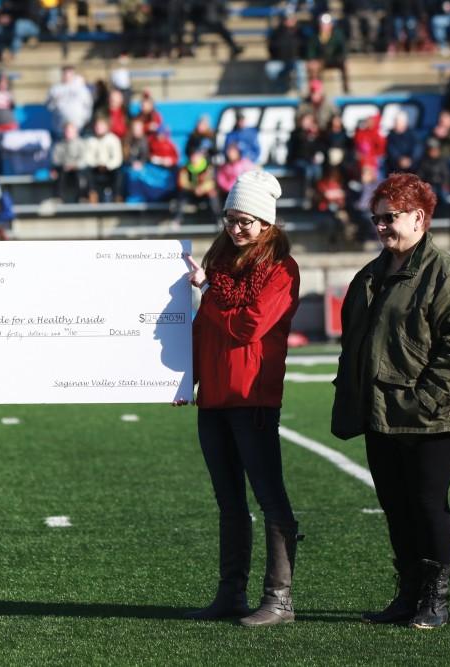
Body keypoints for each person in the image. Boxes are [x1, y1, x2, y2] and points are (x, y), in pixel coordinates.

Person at [331, 172, 450, 630]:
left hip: (433, 416)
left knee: (426, 502)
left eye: (390, 217)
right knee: (395, 505)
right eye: (376, 218)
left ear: (420, 217)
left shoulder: (447, 274)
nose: (380, 226)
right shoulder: (370, 275)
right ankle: (408, 593)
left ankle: (435, 600)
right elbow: (355, 344)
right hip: (381, 412)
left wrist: (427, 399)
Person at [182, 169, 301, 627]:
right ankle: (230, 593)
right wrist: (183, 380)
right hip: (214, 398)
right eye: (231, 218)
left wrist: (209, 292)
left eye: (246, 220)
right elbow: (204, 329)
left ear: (267, 223)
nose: (236, 228)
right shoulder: (218, 266)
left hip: (252, 397)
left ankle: (280, 600)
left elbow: (248, 325)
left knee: (270, 497)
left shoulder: (280, 269)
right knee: (229, 501)